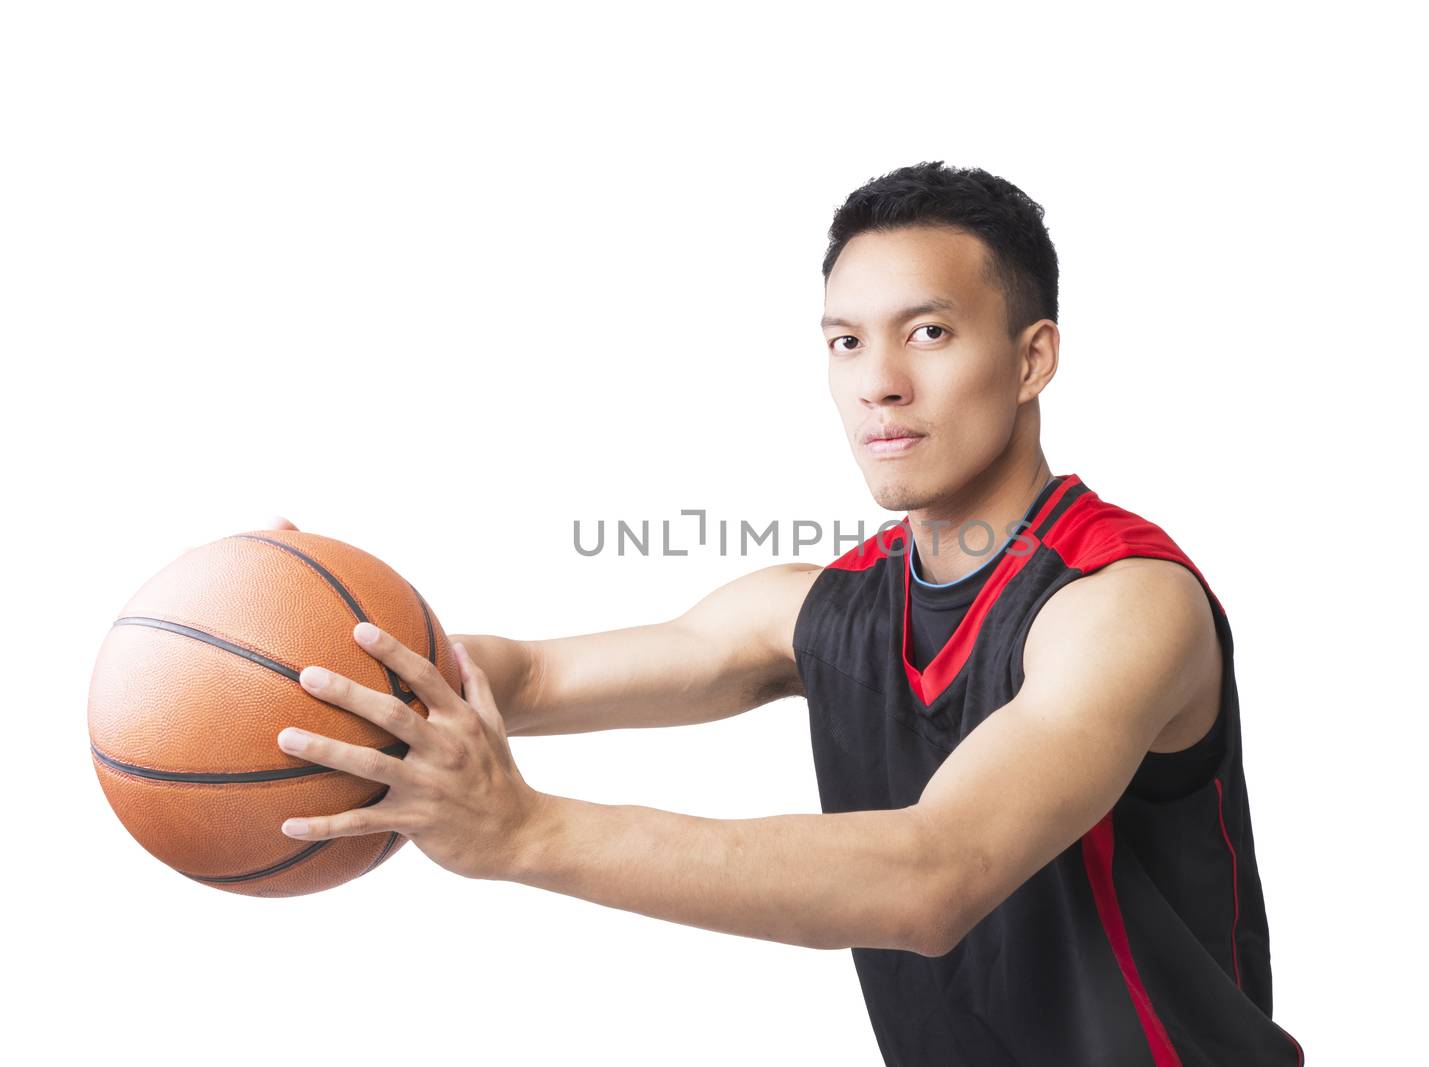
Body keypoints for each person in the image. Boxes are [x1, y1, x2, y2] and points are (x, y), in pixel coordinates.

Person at [270, 161, 1303, 1065]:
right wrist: (317, 643)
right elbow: (528, 676)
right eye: (845, 341)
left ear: (1032, 358)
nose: (879, 385)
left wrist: (525, 830)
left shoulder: (1123, 602)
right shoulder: (831, 603)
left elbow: (934, 874)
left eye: (928, 332)